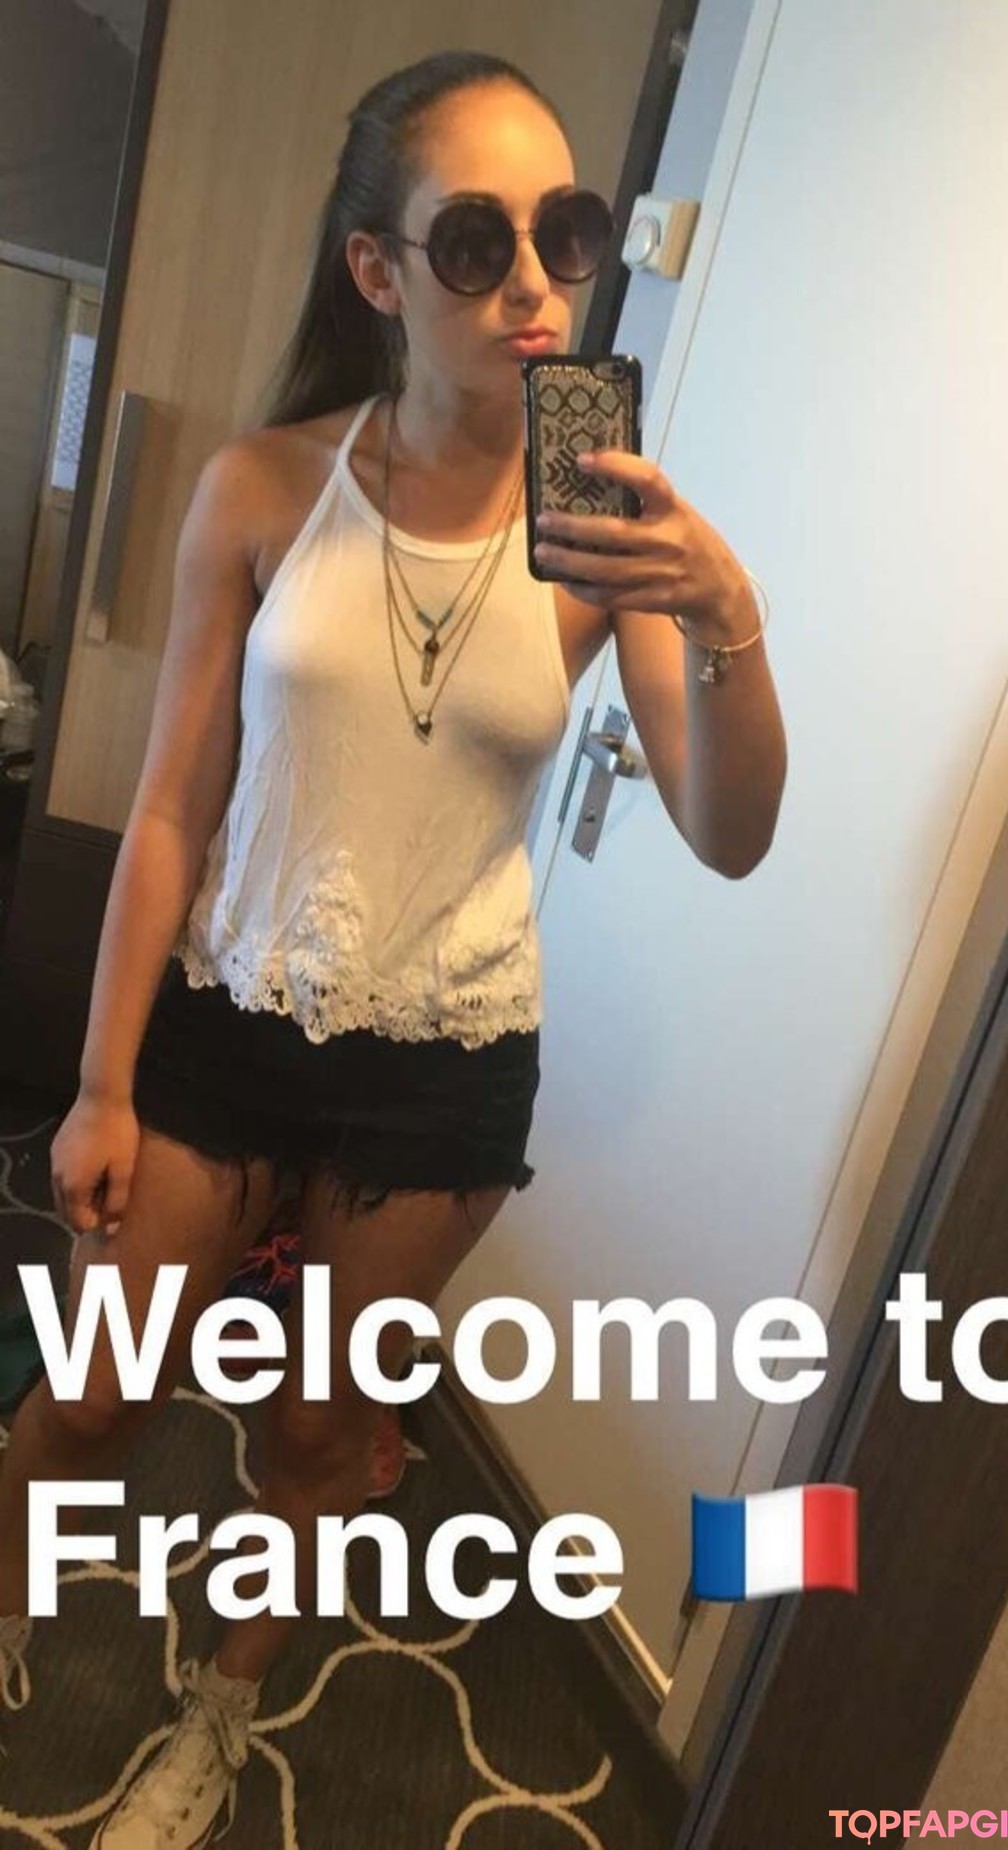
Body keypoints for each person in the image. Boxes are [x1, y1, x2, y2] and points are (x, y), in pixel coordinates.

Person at [0, 48, 787, 1847]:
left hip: (445, 1060)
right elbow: (174, 809)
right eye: (478, 243)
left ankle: (220, 1707)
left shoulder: (600, 519)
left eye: (566, 233)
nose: (537, 285)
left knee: (310, 1435)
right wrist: (102, 1082)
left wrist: (728, 615)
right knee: (98, 1395)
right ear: (377, 269)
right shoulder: (264, 486)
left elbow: (731, 831)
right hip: (233, 1004)